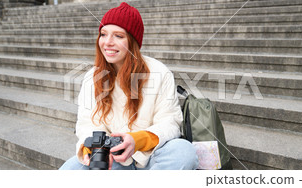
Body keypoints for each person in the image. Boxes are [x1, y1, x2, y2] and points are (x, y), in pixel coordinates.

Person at [59, 2, 198, 170]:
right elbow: (87, 123)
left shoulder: (160, 73)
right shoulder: (92, 77)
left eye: (118, 36)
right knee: (69, 170)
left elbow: (170, 122)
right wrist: (95, 150)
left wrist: (136, 141)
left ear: (132, 42)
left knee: (184, 152)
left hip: (151, 157)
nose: (108, 42)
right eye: (103, 34)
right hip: (113, 160)